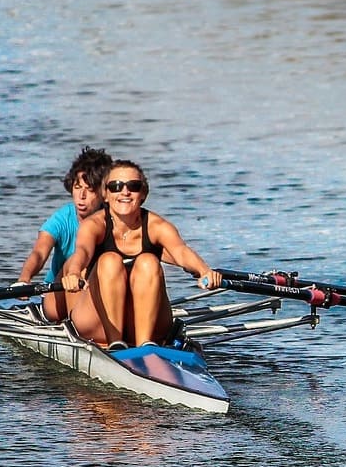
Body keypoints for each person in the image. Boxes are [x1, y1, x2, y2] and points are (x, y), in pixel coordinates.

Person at [60, 160, 221, 349]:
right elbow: (82, 252)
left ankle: (146, 347)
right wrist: (74, 273)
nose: (125, 192)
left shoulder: (157, 226)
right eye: (116, 186)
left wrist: (205, 271)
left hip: (147, 325)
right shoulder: (94, 226)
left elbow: (181, 251)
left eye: (133, 186)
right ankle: (115, 345)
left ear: (143, 193)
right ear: (105, 194)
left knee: (149, 261)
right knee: (109, 260)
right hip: (97, 324)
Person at [16, 146, 113, 322]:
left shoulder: (114, 219)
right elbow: (39, 253)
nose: (81, 196)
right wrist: (25, 278)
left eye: (90, 190)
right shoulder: (62, 218)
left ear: (103, 193)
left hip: (97, 293)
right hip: (57, 297)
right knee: (78, 261)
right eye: (77, 187)